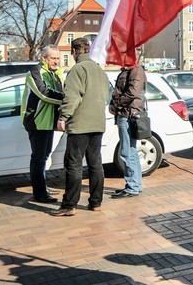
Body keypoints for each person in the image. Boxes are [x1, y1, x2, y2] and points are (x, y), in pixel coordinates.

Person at [50, 38, 109, 216]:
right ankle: (96, 202)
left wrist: (63, 117)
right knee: (95, 164)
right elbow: (106, 95)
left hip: (80, 125)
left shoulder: (77, 69)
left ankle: (69, 205)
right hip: (98, 123)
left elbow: (72, 97)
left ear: (74, 52)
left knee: (74, 164)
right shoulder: (99, 70)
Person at [20, 45, 64, 204]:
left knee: (44, 156)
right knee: (38, 158)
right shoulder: (35, 72)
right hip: (37, 121)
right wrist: (66, 99)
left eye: (58, 58)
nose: (56, 61)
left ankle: (42, 186)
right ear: (44, 58)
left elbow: (60, 89)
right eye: (53, 58)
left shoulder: (55, 73)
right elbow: (44, 93)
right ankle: (39, 193)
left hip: (49, 121)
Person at [109, 54, 147, 199]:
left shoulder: (135, 70)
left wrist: (116, 105)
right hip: (126, 114)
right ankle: (135, 185)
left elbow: (132, 92)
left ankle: (132, 186)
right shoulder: (129, 70)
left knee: (127, 152)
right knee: (130, 151)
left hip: (128, 115)